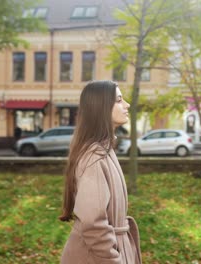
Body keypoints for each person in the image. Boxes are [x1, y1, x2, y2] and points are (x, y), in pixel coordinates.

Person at [60, 81, 142, 264]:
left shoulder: (104, 150)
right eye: (119, 100)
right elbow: (92, 223)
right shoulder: (94, 157)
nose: (127, 105)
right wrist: (113, 259)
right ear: (101, 108)